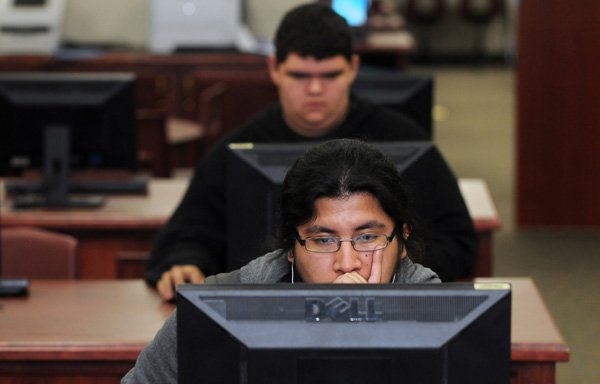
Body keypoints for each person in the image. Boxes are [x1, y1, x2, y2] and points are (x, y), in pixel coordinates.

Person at [145, 2, 478, 301]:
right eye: (300, 75)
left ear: (353, 67)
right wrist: (183, 262)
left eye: (330, 75)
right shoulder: (236, 148)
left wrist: (387, 270)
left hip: (388, 309)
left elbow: (458, 242)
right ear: (274, 68)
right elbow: (189, 231)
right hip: (259, 316)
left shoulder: (402, 139)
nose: (315, 89)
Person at [122, 139, 441, 383]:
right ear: (291, 246)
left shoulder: (442, 321)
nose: (347, 262)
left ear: (402, 241)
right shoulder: (218, 311)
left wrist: (364, 339)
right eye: (324, 240)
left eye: (368, 238)